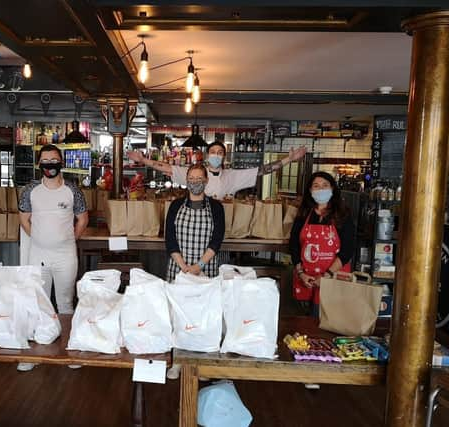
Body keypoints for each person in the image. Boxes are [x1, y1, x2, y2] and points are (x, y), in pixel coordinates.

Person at [17, 144, 88, 371]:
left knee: (65, 303)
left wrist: (69, 239)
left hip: (66, 255)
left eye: (54, 160)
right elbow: (24, 219)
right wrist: (40, 238)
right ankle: (36, 354)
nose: (50, 164)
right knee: (41, 304)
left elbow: (82, 219)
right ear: (39, 164)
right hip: (38, 254)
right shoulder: (30, 191)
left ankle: (69, 351)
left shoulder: (72, 190)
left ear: (62, 163)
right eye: (45, 160)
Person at [164, 164, 225, 380]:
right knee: (178, 317)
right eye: (192, 177)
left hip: (205, 270)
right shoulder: (175, 206)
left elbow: (217, 240)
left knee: (203, 318)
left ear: (206, 181)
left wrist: (198, 266)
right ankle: (178, 361)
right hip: (178, 269)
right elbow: (170, 239)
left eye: (199, 178)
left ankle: (202, 364)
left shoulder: (216, 207)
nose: (195, 181)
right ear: (186, 180)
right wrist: (183, 266)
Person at [127, 141, 307, 199]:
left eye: (220, 152)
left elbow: (263, 170)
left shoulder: (232, 176)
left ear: (224, 157)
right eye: (213, 152)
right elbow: (165, 166)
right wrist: (143, 160)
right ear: (206, 156)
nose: (216, 155)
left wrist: (288, 160)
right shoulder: (194, 172)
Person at [289, 171, 355, 316]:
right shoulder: (304, 214)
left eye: (325, 185)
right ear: (310, 191)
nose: (321, 189)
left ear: (332, 189)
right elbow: (294, 246)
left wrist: (327, 276)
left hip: (334, 279)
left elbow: (347, 250)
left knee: (332, 323)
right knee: (306, 326)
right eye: (316, 186)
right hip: (307, 280)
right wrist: (301, 273)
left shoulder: (342, 214)